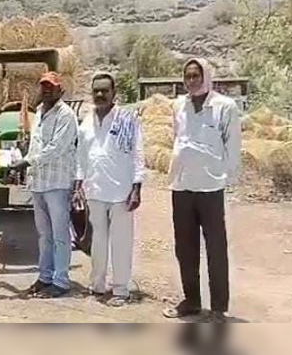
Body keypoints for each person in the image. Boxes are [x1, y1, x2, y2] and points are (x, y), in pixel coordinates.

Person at [162, 58, 241, 323]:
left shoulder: (224, 107)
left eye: (196, 75)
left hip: (210, 188)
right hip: (182, 185)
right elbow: (177, 139)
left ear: (206, 76)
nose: (192, 80)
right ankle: (191, 301)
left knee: (215, 248)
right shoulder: (178, 106)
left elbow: (232, 147)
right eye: (187, 76)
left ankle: (219, 307)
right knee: (185, 247)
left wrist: (223, 177)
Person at [73, 72, 145, 307]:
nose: (100, 94)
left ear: (114, 93)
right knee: (97, 242)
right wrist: (78, 184)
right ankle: (97, 284)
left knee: (121, 242)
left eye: (105, 90)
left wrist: (136, 187)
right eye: (96, 91)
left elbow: (138, 154)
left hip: (121, 192)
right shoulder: (86, 121)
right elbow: (81, 157)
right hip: (95, 191)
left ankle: (121, 289)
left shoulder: (127, 119)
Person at [14, 72, 79, 298]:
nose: (47, 89)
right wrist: (24, 159)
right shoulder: (38, 113)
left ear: (60, 90)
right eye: (43, 86)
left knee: (61, 234)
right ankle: (45, 277)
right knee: (44, 235)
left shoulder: (66, 115)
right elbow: (35, 146)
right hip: (39, 183)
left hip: (57, 183)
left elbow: (57, 148)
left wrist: (27, 161)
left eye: (51, 86)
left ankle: (61, 281)